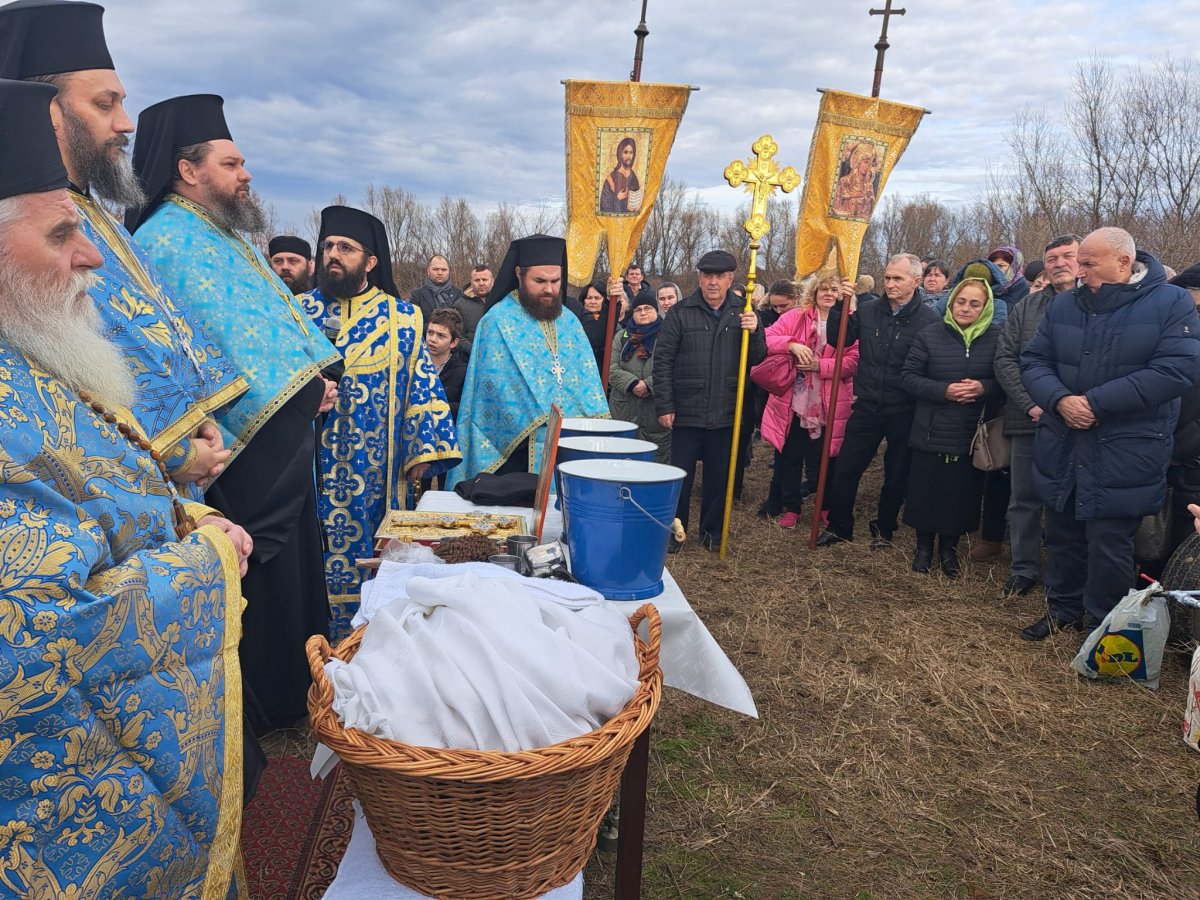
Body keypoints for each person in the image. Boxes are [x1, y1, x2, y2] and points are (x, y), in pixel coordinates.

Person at [0, 75, 253, 898]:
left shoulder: (30, 351)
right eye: (64, 233)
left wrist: (176, 511)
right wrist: (204, 560)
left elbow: (97, 473)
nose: (94, 255)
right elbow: (29, 639)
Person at [127, 93, 340, 729]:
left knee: (294, 564)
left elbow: (275, 327)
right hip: (236, 447)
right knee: (259, 573)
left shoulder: (222, 234)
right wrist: (301, 391)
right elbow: (210, 346)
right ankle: (266, 703)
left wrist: (315, 383)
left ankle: (300, 689)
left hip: (280, 432)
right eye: (232, 162)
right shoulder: (166, 238)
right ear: (188, 170)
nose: (245, 174)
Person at [0, 0, 247, 492]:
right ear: (51, 111)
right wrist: (174, 450)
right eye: (104, 104)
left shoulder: (97, 217)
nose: (126, 123)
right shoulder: (26, 224)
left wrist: (198, 422)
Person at [1019, 227, 1200, 640]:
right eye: (1078, 263)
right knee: (1062, 532)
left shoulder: (1170, 302)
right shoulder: (1066, 305)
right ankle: (1061, 609)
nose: (1079, 273)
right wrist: (1061, 400)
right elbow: (1033, 360)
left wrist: (1096, 403)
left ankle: (1106, 626)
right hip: (1064, 440)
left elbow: (1175, 371)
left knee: (1109, 542)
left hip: (1126, 448)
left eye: (1088, 263)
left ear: (1123, 262)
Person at [300, 205, 462, 633]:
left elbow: (421, 386)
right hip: (306, 470)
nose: (334, 254)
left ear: (370, 261)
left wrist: (425, 449)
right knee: (306, 566)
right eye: (328, 246)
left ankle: (372, 643)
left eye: (346, 248)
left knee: (378, 569)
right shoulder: (296, 311)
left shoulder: (403, 316)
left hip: (377, 477)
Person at [448, 234, 608, 484]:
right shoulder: (497, 321)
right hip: (513, 454)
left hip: (568, 446)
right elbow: (490, 392)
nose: (549, 289)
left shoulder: (570, 321)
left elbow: (586, 381)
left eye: (556, 281)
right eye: (540, 280)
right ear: (519, 274)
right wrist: (540, 417)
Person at [816, 253, 941, 548]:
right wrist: (840, 309)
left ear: (916, 281)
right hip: (868, 404)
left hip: (905, 408)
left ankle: (884, 528)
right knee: (846, 467)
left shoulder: (929, 321)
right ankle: (839, 525)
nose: (890, 284)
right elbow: (839, 340)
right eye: (887, 277)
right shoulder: (870, 310)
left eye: (897, 278)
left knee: (896, 472)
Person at [654, 249, 766, 551]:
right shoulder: (681, 312)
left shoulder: (743, 312)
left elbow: (757, 357)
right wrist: (665, 404)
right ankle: (675, 532)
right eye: (707, 276)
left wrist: (754, 332)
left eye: (719, 276)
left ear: (730, 279)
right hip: (687, 409)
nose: (712, 282)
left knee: (719, 476)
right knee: (680, 477)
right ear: (699, 278)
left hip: (727, 409)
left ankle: (712, 532)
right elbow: (663, 360)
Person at [993, 234, 1080, 595]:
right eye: (1052, 258)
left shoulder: (1099, 305)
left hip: (1081, 421)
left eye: (1068, 256)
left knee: (1073, 502)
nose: (1059, 263)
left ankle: (1070, 573)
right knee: (1024, 498)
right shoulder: (1027, 308)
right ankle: (1024, 568)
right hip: (1030, 418)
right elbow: (1006, 358)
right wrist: (1032, 403)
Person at [900, 278, 1002, 577]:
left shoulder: (996, 337)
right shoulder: (930, 334)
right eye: (961, 301)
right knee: (925, 490)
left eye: (974, 304)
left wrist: (983, 387)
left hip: (970, 432)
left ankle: (948, 549)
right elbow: (908, 377)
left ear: (985, 308)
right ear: (951, 302)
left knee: (959, 493)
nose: (966, 309)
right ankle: (923, 548)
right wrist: (943, 391)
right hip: (930, 427)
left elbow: (1005, 379)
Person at [761, 274, 859, 529]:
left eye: (834, 289)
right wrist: (791, 344)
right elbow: (768, 337)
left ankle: (825, 506)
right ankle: (792, 507)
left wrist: (821, 365)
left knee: (827, 457)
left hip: (831, 401)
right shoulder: (797, 316)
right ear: (814, 293)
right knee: (791, 455)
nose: (828, 293)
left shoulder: (851, 321)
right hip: (794, 399)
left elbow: (853, 360)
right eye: (823, 289)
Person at [608, 292, 670, 463]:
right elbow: (611, 369)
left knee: (654, 460)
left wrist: (649, 385)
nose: (643, 313)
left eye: (648, 308)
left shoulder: (667, 335)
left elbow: (671, 368)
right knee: (622, 458)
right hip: (624, 408)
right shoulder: (622, 337)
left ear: (656, 311)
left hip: (654, 410)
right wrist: (633, 383)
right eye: (638, 309)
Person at [427, 306, 468, 417]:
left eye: (441, 335)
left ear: (453, 342)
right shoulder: (416, 364)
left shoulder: (462, 372)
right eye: (430, 332)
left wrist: (432, 406)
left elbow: (464, 408)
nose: (433, 339)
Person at [575, 281, 619, 371]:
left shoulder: (612, 323)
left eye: (597, 298)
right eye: (589, 298)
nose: (593, 302)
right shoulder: (575, 322)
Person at [831, 141, 880, 219]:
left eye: (870, 163)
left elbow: (870, 210)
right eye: (866, 162)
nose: (868, 166)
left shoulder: (869, 185)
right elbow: (835, 208)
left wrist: (869, 198)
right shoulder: (844, 181)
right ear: (858, 161)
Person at [410, 253, 464, 323]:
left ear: (449, 271)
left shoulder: (460, 294)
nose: (440, 273)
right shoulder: (417, 295)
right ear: (428, 271)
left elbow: (463, 323)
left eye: (444, 269)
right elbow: (415, 323)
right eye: (435, 269)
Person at [600, 137, 641, 213]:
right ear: (620, 154)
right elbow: (604, 206)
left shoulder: (634, 178)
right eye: (625, 152)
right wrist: (617, 199)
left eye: (631, 152)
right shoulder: (610, 179)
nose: (628, 156)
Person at [454, 262, 493, 343]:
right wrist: (473, 351)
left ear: (492, 280)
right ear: (471, 282)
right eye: (477, 280)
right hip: (469, 354)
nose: (481, 283)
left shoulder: (502, 302)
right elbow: (456, 335)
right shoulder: (459, 306)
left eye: (485, 279)